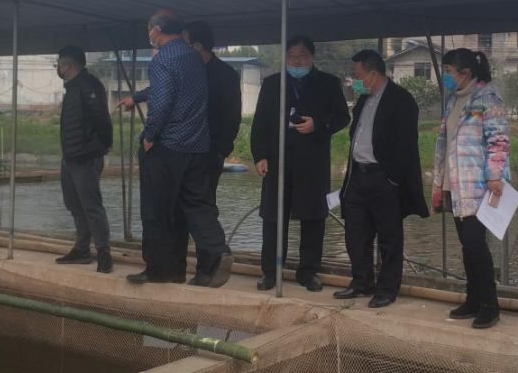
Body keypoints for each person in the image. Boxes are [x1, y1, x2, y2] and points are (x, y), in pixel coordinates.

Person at [123, 10, 232, 287]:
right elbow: (172, 88)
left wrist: (150, 136)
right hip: (197, 146)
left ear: (157, 29)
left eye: (149, 29)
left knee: (157, 210)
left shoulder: (162, 59)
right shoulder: (193, 56)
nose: (149, 34)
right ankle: (219, 252)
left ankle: (160, 270)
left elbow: (161, 103)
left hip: (168, 146)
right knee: (197, 205)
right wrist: (136, 97)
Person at [250, 35, 349, 292]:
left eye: (302, 56)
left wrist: (318, 124)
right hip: (277, 159)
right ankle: (270, 272)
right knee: (273, 216)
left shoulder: (328, 83)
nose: (297, 61)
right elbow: (260, 123)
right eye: (292, 56)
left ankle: (309, 272)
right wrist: (260, 155)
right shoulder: (272, 83)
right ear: (285, 58)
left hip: (312, 160)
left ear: (312, 57)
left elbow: (342, 117)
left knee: (314, 217)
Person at [334, 50, 429, 308]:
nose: (355, 80)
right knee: (355, 233)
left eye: (358, 75)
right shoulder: (364, 99)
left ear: (373, 74)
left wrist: (392, 179)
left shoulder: (401, 100)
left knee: (389, 237)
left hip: (384, 179)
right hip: (358, 176)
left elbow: (406, 145)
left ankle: (387, 289)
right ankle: (361, 282)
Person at [430, 49, 509, 329]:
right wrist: (439, 180)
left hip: (478, 186)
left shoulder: (488, 98)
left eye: (448, 71)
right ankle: (473, 298)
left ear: (465, 72)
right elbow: (446, 141)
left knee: (476, 243)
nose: (446, 76)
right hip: (455, 185)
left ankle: (490, 305)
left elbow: (498, 140)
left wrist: (495, 175)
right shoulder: (454, 100)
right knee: (467, 245)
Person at [161, 20, 242, 279]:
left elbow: (232, 118)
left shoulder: (226, 75)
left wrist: (220, 151)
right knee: (176, 210)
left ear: (196, 46)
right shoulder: (183, 72)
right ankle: (174, 268)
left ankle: (208, 270)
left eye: (182, 44)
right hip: (178, 151)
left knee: (202, 209)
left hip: (207, 154)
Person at [53, 45, 115, 274]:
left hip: (86, 157)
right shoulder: (72, 88)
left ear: (68, 65)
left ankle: (104, 254)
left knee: (91, 206)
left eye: (59, 64)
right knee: (73, 204)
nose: (58, 69)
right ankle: (82, 249)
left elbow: (101, 120)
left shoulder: (89, 86)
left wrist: (102, 147)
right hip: (70, 156)